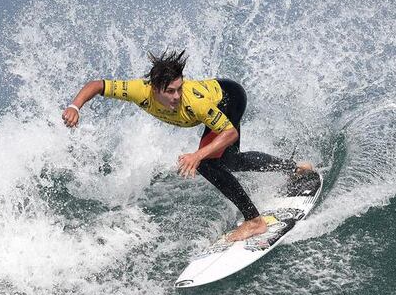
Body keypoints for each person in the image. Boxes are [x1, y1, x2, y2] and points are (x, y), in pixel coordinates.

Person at [62, 50, 312, 242]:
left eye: (179, 89)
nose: (176, 97)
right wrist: (75, 106)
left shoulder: (194, 102)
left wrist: (197, 155)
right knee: (230, 162)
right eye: (170, 91)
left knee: (207, 164)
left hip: (229, 98)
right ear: (154, 88)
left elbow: (230, 133)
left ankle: (254, 221)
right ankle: (294, 168)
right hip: (218, 95)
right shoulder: (138, 90)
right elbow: (97, 85)